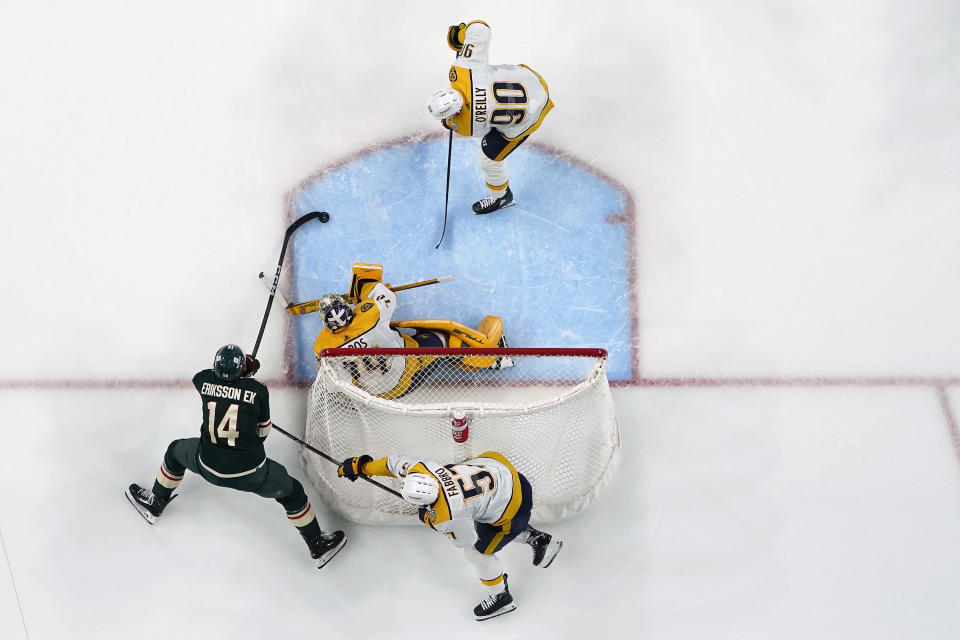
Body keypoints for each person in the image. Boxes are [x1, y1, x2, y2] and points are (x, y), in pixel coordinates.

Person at [125, 344, 346, 569]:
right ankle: (317, 543)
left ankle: (156, 502)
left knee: (175, 452)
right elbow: (262, 434)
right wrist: (244, 378)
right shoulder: (258, 391)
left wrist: (238, 376)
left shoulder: (203, 381)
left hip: (206, 463)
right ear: (242, 370)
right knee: (293, 493)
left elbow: (205, 377)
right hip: (251, 473)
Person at [337, 450, 563, 621]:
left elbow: (466, 540)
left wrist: (429, 519)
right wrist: (362, 466)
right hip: (506, 472)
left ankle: (502, 597)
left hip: (515, 505)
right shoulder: (424, 469)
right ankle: (537, 539)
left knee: (478, 553)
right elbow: (392, 463)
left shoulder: (446, 515)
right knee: (479, 508)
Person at [312, 262, 512, 399]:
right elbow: (382, 293)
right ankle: (495, 358)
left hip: (379, 397)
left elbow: (334, 387)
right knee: (442, 339)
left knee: (411, 339)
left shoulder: (323, 345)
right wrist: (367, 292)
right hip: (408, 376)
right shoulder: (369, 314)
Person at [426, 20, 554, 215]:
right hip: (533, 81)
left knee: (489, 159)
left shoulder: (465, 126)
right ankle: (500, 195)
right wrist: (459, 37)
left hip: (530, 118)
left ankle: (501, 197)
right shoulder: (464, 70)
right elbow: (480, 28)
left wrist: (449, 122)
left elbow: (479, 127)